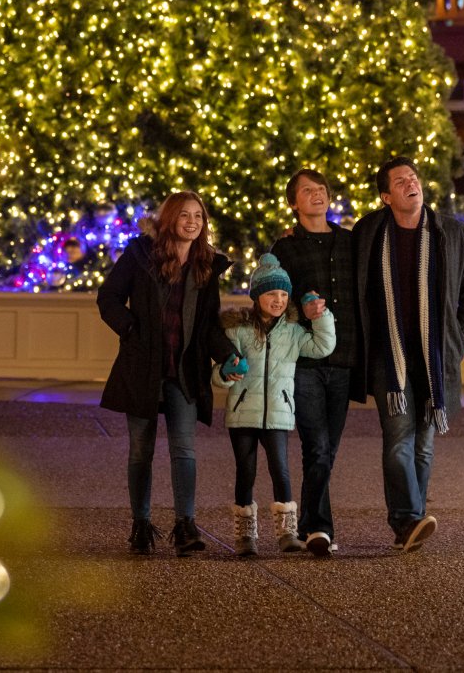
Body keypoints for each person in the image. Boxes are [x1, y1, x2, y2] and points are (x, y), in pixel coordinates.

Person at [352, 157, 464, 552]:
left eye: (413, 177)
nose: (411, 183)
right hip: (388, 357)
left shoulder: (454, 233)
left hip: (435, 358)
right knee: (398, 440)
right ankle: (407, 518)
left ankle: (410, 524)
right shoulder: (369, 232)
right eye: (400, 180)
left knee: (424, 445)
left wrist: (459, 339)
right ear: (386, 196)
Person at [97, 191, 236, 557]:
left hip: (184, 369)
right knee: (141, 450)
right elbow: (109, 297)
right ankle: (140, 525)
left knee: (184, 450)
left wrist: (227, 355)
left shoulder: (206, 265)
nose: (192, 222)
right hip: (143, 365)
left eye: (199, 216)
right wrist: (129, 329)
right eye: (185, 215)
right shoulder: (142, 255)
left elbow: (208, 325)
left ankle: (185, 525)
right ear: (170, 218)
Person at [213, 253, 335, 557]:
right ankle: (245, 536)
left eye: (283, 294)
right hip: (242, 414)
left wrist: (320, 317)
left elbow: (322, 346)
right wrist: (226, 372)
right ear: (257, 297)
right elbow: (219, 374)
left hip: (278, 414)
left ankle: (287, 533)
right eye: (271, 293)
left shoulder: (293, 333)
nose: (278, 300)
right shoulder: (238, 330)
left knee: (281, 470)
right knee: (246, 471)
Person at [269, 169, 359, 557]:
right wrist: (300, 307)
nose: (317, 196)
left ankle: (310, 524)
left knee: (329, 449)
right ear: (294, 202)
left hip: (344, 358)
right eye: (307, 191)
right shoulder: (284, 248)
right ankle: (319, 528)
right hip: (305, 359)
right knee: (317, 447)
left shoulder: (351, 242)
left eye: (321, 190)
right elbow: (272, 300)